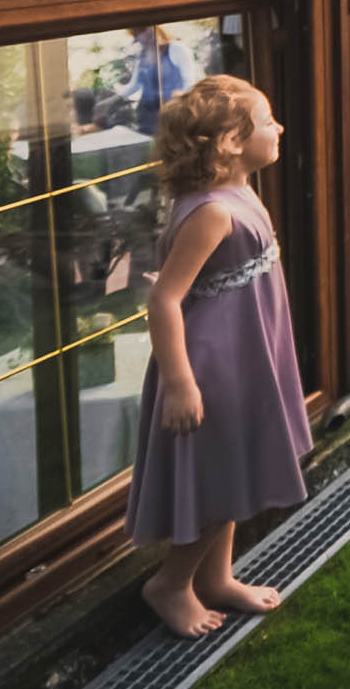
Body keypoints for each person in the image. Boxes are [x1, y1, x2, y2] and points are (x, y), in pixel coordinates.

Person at [128, 76, 314, 638]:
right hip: (215, 363)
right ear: (231, 142)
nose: (278, 128)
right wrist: (181, 383)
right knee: (226, 475)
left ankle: (217, 578)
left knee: (236, 465)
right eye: (266, 121)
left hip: (247, 351)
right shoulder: (210, 211)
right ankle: (171, 582)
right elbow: (164, 298)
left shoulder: (239, 190)